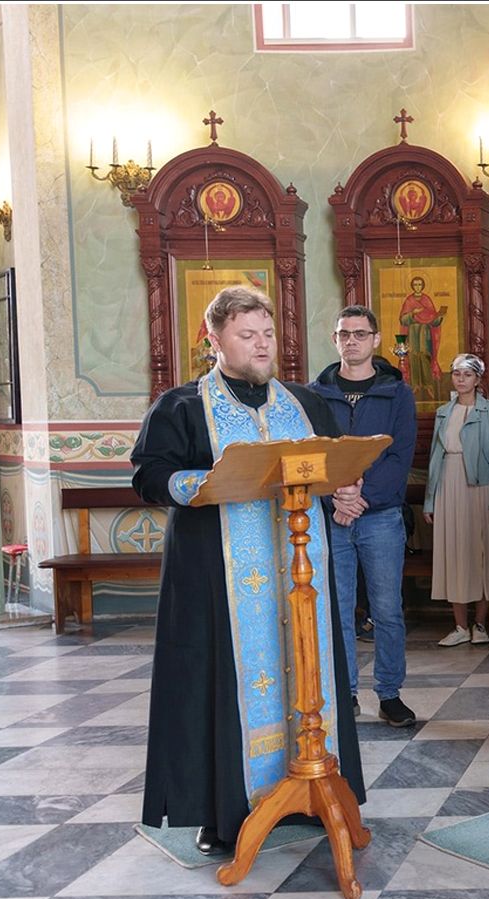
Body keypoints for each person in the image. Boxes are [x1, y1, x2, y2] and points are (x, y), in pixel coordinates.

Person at [131, 285, 365, 856]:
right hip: (218, 581)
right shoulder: (182, 407)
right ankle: (224, 810)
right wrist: (208, 482)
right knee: (219, 680)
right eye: (246, 335)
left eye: (267, 334)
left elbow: (329, 462)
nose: (262, 345)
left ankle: (310, 789)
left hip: (299, 573)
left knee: (307, 669)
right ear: (214, 340)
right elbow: (149, 475)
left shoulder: (305, 402)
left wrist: (342, 486)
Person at [311, 305, 418, 727]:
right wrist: (335, 499)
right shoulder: (316, 394)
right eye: (344, 334)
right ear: (334, 340)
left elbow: (399, 455)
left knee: (387, 609)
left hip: (381, 517)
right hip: (332, 516)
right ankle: (346, 691)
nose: (351, 341)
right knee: (337, 609)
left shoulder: (397, 393)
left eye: (360, 333)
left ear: (375, 339)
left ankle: (389, 693)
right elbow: (311, 455)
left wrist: (360, 498)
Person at [424, 353, 489, 646]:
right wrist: (430, 500)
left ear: (477, 379)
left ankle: (479, 625)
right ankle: (459, 626)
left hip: (480, 486)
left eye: (467, 374)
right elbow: (435, 457)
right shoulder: (443, 412)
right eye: (456, 374)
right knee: (453, 552)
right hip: (448, 483)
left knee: (480, 552)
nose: (461, 379)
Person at [400, 274, 447, 401]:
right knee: (413, 356)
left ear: (423, 286)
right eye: (415, 284)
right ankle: (415, 385)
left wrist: (440, 316)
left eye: (419, 284)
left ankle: (428, 385)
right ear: (412, 286)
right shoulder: (409, 300)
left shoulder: (426, 300)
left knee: (425, 356)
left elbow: (433, 320)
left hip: (424, 333)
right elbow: (403, 320)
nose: (417, 287)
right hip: (413, 332)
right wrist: (412, 313)